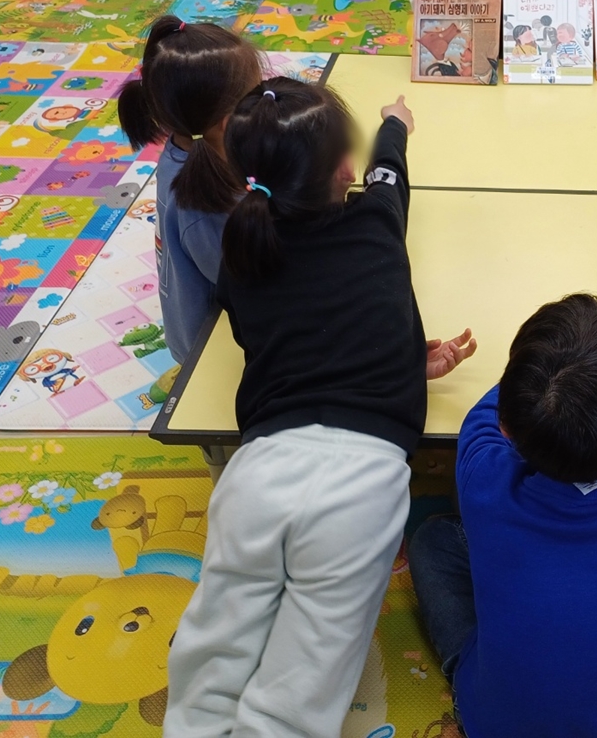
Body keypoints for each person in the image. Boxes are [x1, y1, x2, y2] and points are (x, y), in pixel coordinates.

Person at [162, 78, 476, 738]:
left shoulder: (240, 250)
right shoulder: (376, 218)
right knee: (305, 677)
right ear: (345, 171)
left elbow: (293, 337)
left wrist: (396, 357)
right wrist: (395, 121)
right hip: (358, 482)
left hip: (258, 471)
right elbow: (390, 171)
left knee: (214, 646)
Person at [407, 294, 597, 738]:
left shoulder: (483, 479)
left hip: (495, 725)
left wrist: (535, 368)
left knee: (432, 540)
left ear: (508, 429)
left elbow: (488, 415)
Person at [117, 15, 260, 365]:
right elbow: (248, 283)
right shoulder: (206, 205)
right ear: (228, 123)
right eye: (258, 99)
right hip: (210, 346)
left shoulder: (185, 148)